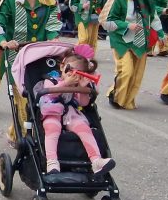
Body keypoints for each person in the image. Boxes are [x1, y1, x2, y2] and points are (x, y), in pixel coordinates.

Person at [0, 0, 62, 134]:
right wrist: (3, 41)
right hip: (16, 57)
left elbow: (53, 25)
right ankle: (27, 139)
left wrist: (54, 37)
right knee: (24, 98)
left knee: (40, 97)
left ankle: (17, 133)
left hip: (41, 57)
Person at [37, 45, 114, 175]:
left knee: (83, 127)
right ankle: (52, 161)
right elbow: (50, 95)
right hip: (52, 110)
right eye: (69, 70)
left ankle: (96, 160)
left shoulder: (77, 84)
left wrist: (82, 89)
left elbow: (83, 103)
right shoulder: (51, 79)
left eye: (78, 72)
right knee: (52, 127)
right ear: (62, 67)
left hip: (70, 113)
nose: (72, 74)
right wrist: (65, 83)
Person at [101, 0, 161, 110]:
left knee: (137, 74)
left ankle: (128, 100)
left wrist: (160, 33)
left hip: (141, 40)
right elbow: (106, 20)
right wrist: (126, 25)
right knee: (126, 71)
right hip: (122, 40)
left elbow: (153, 15)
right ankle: (117, 96)